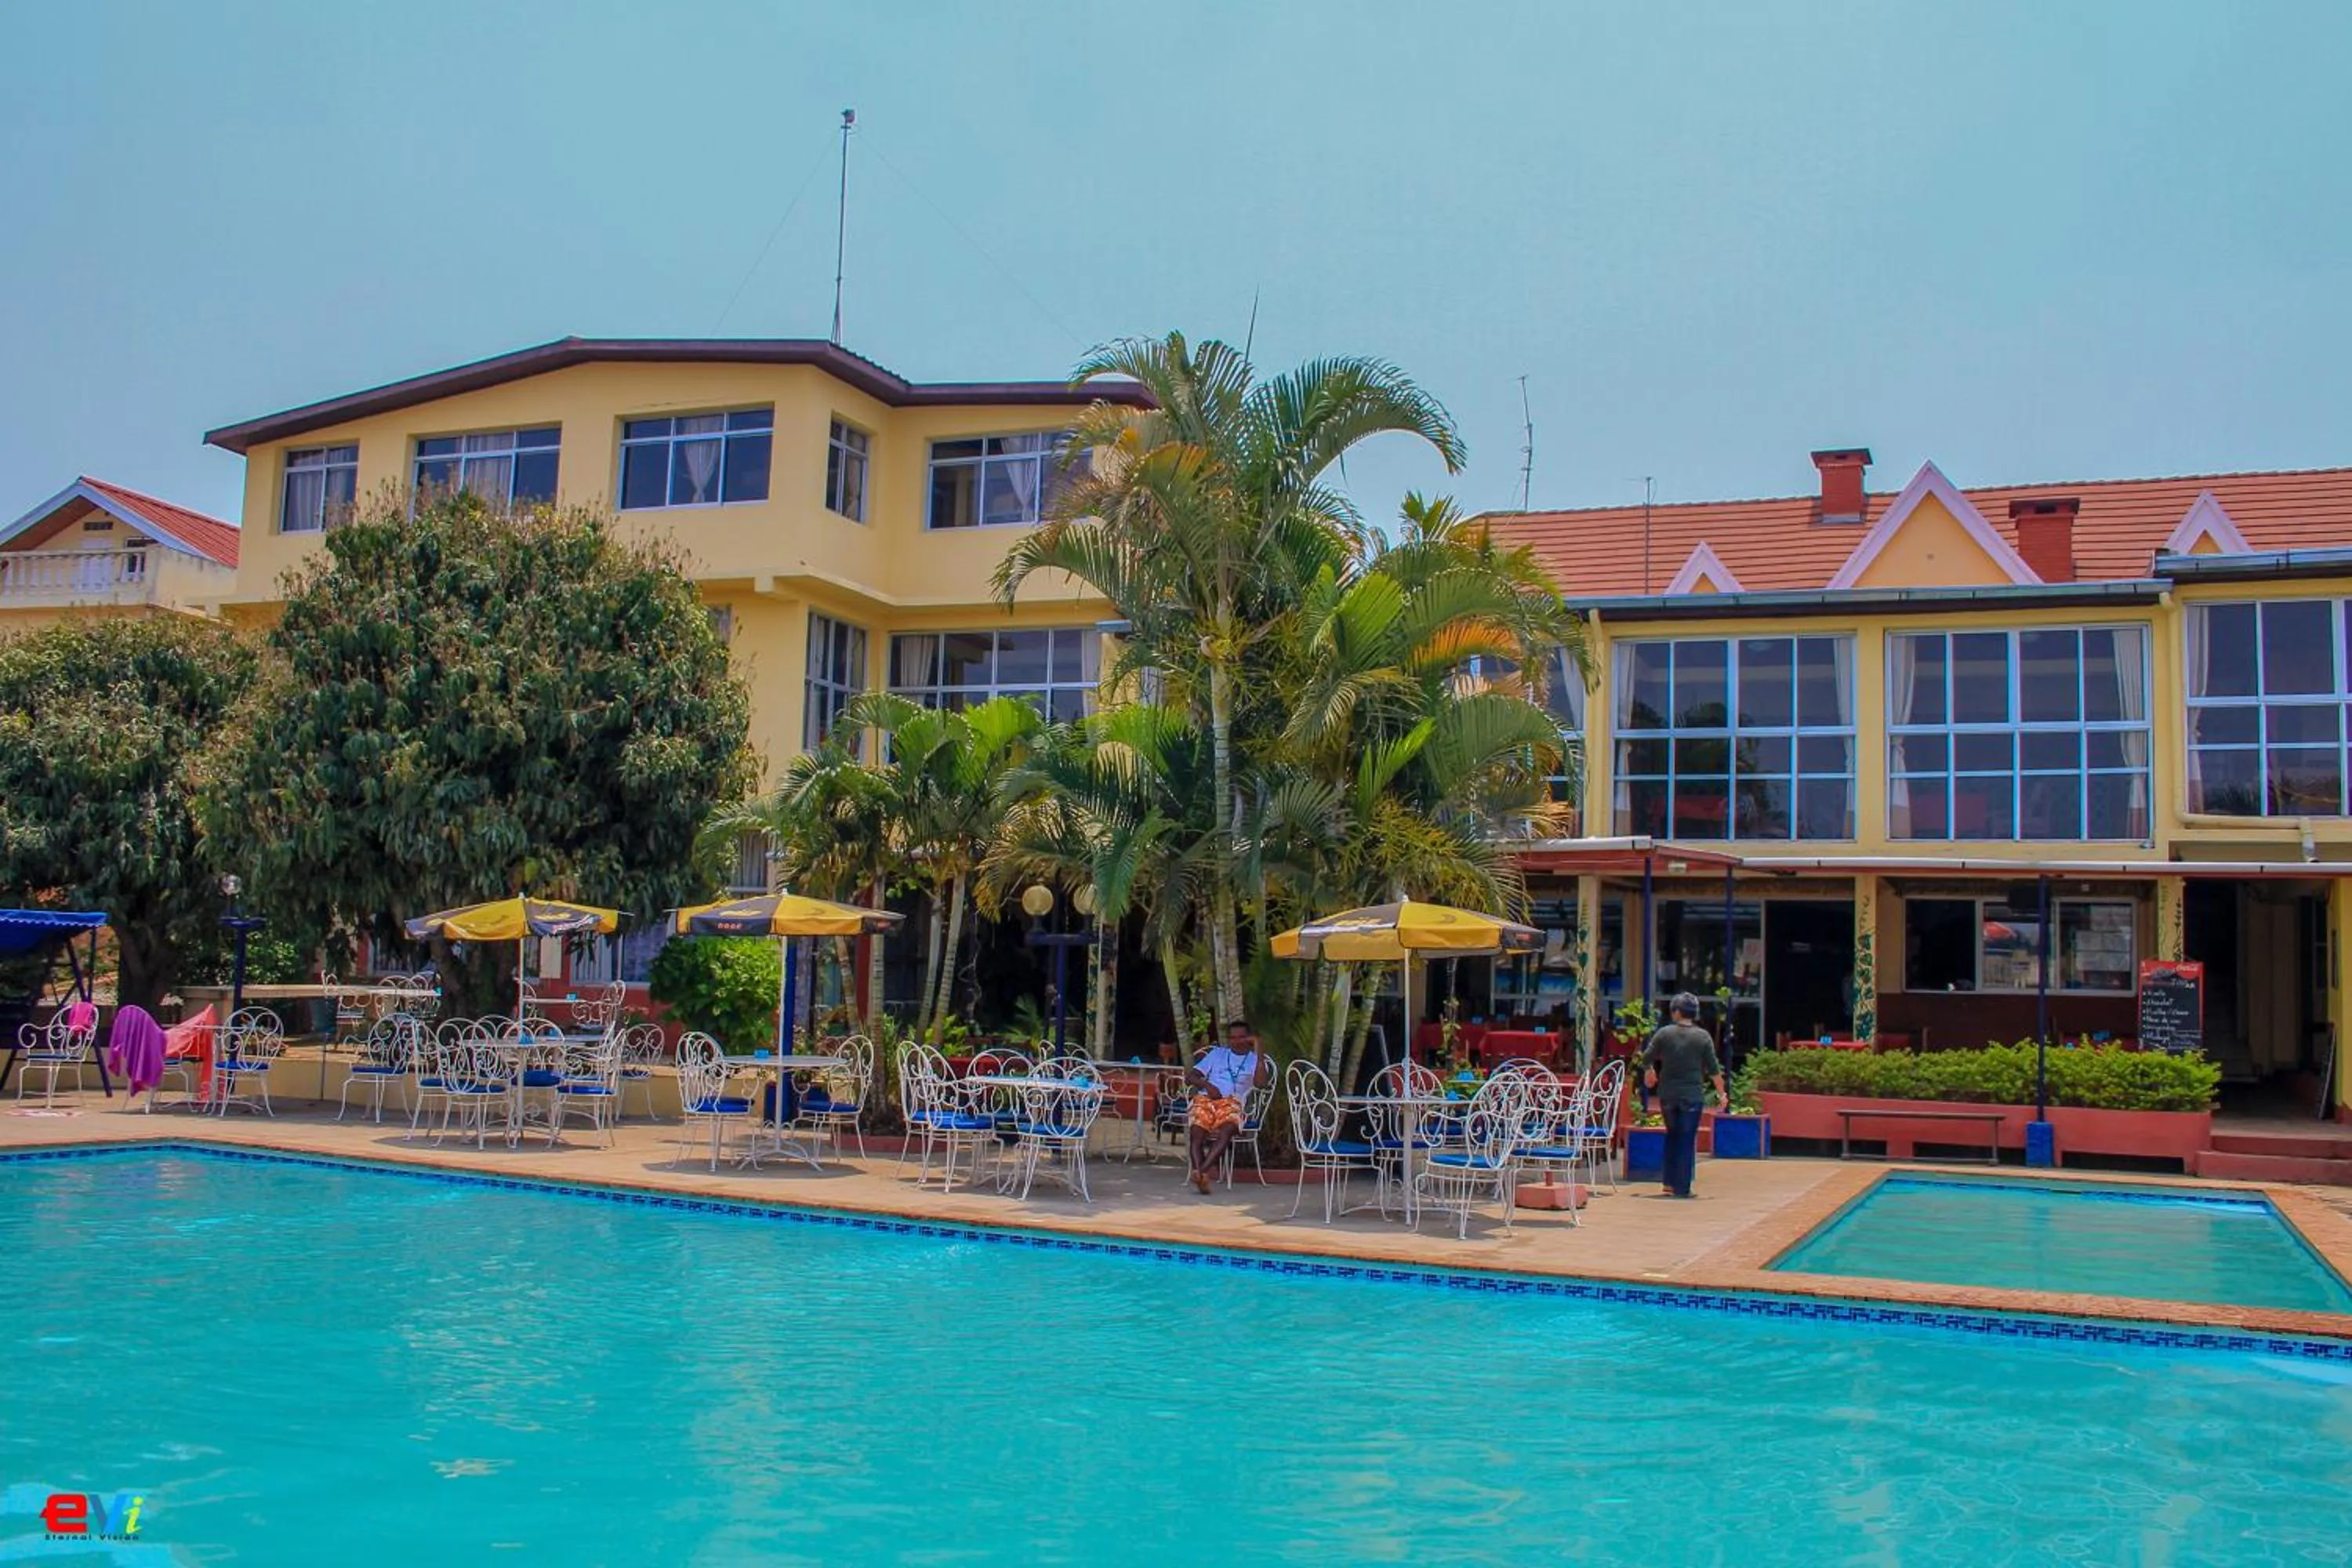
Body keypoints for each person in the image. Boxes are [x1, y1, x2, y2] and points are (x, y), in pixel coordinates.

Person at [1640, 993, 1727, 1199]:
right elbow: (1714, 1069)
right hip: (1692, 1096)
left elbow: (1646, 1058)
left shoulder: (1664, 1034)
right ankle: (1682, 1187)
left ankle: (1669, 1183)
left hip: (1668, 1095)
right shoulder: (1703, 1037)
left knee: (1672, 1136)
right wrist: (1722, 1093)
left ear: (1677, 1012)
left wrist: (1649, 1070)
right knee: (1686, 1140)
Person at [1185, 1019, 1265, 1195]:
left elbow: (1260, 1084)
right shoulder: (1217, 1054)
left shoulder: (1254, 1060)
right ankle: (1202, 1177)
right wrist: (1207, 1085)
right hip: (1207, 1099)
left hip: (1232, 1102)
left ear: (1250, 1038)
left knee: (1226, 1131)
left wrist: (1259, 1050)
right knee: (1196, 1133)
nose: (1237, 1041)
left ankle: (1200, 1172)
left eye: (1242, 1037)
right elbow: (1190, 1077)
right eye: (1233, 1038)